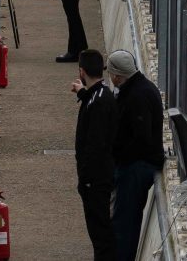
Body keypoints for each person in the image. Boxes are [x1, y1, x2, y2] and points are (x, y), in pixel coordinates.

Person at [107, 50, 166, 261]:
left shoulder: (135, 96)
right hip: (139, 164)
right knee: (125, 221)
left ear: (116, 75)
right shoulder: (143, 88)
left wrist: (119, 155)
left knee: (125, 224)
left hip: (136, 168)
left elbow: (141, 138)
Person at [71, 48, 118, 261]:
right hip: (100, 178)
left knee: (100, 234)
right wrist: (82, 92)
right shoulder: (100, 94)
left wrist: (86, 180)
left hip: (96, 181)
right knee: (101, 233)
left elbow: (95, 146)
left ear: (82, 71)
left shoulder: (98, 102)